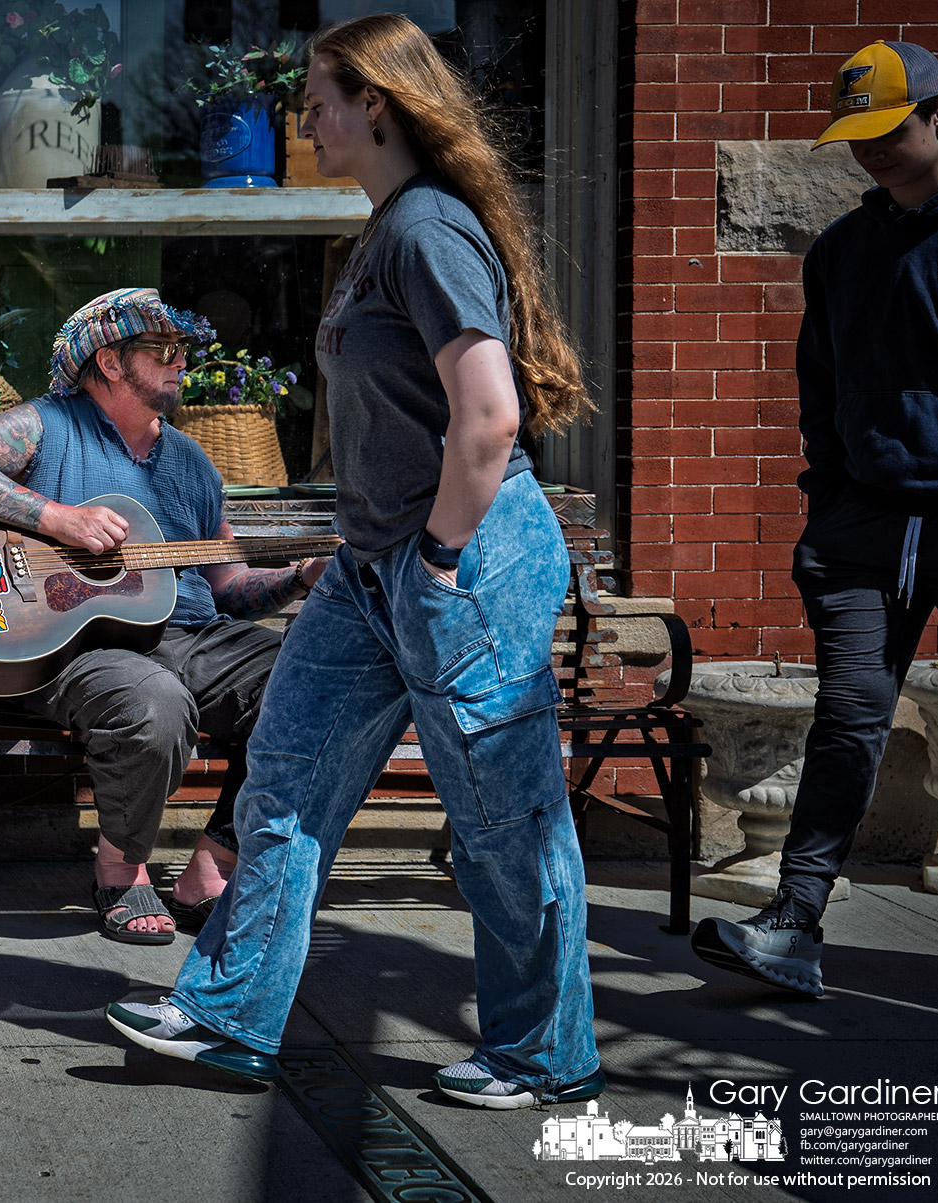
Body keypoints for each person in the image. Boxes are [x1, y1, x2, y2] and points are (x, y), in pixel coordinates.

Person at [106, 13, 601, 1105]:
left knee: (502, 824)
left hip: (462, 561)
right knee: (285, 778)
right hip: (378, 566)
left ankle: (544, 1053)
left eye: (320, 94)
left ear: (376, 101)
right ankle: (229, 1013)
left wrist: (433, 561)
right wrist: (376, 552)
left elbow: (488, 418)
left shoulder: (426, 226)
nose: (303, 116)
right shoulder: (386, 228)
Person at [0, 287, 330, 943]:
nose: (179, 363)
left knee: (323, 681)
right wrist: (57, 518)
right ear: (108, 361)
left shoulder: (191, 463)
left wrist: (298, 577)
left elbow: (228, 582)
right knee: (154, 702)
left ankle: (214, 866)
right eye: (163, 349)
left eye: (183, 350)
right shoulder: (49, 427)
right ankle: (119, 867)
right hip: (84, 649)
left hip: (195, 634)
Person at [691, 40, 938, 998]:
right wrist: (832, 495)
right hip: (862, 529)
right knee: (849, 721)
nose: (872, 153)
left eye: (888, 132)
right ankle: (795, 922)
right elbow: (820, 384)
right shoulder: (844, 251)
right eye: (856, 139)